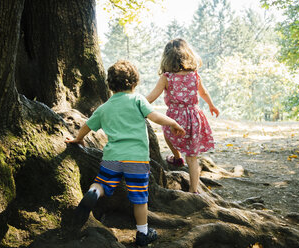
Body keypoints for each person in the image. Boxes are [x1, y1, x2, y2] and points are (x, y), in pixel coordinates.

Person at [65, 60, 185, 246]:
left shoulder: (105, 107)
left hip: (112, 157)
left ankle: (93, 193)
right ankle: (143, 233)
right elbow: (154, 116)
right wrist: (172, 123)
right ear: (134, 82)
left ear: (110, 85)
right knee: (139, 198)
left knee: (102, 183)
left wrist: (78, 139)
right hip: (136, 159)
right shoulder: (138, 100)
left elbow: (87, 125)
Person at [146, 38, 219, 194]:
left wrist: (134, 103)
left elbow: (152, 97)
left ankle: (176, 156)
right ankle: (194, 190)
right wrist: (211, 105)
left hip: (174, 118)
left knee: (167, 133)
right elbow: (204, 92)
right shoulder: (194, 76)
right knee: (192, 157)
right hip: (194, 116)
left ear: (167, 58)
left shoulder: (167, 77)